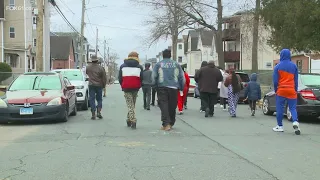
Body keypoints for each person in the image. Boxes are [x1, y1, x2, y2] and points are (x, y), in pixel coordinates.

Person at [152, 49, 184, 131]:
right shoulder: (176, 64)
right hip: (174, 87)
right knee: (172, 105)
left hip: (162, 87)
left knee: (163, 105)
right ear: (170, 55)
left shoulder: (158, 65)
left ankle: (166, 124)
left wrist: (155, 86)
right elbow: (182, 77)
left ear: (163, 55)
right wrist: (181, 87)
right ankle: (171, 122)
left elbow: (153, 76)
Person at [272, 49, 300, 135]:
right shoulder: (294, 66)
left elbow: (275, 81)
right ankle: (295, 122)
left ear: (281, 55)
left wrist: (276, 90)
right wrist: (295, 89)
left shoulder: (277, 67)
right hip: (291, 90)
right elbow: (296, 80)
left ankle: (280, 126)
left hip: (281, 90)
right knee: (292, 108)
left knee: (280, 108)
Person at [119, 51, 143, 129]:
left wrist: (122, 85)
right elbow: (141, 78)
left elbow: (120, 78)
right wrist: (139, 85)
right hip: (135, 87)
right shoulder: (139, 67)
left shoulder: (122, 66)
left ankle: (132, 120)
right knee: (132, 104)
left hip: (126, 87)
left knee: (130, 104)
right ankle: (129, 119)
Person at [86, 55, 107, 120]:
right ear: (97, 60)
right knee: (99, 99)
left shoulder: (88, 68)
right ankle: (98, 111)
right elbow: (104, 78)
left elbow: (87, 74)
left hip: (91, 84)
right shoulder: (101, 68)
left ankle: (93, 113)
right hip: (99, 85)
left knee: (92, 99)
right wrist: (104, 85)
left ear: (92, 60)